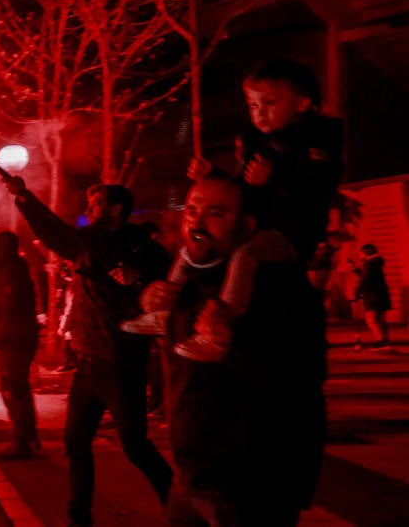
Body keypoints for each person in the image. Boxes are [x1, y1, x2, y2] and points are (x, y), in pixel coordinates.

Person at [140, 173, 326, 526]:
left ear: (247, 225)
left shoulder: (281, 288)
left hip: (253, 482)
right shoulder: (188, 282)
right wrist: (150, 301)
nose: (196, 221)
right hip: (190, 472)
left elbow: (303, 378)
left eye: (216, 213)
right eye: (191, 210)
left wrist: (235, 341)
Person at [153, 58, 344, 361]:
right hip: (253, 224)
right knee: (191, 247)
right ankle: (163, 307)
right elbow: (241, 187)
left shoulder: (318, 141)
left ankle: (221, 326)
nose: (260, 113)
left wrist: (276, 178)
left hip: (290, 233)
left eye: (270, 102)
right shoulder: (257, 142)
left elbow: (317, 188)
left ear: (303, 103)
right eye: (253, 105)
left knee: (244, 256)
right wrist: (213, 174)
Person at [7, 178, 172, 527]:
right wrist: (24, 198)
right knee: (76, 442)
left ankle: (177, 506)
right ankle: (78, 517)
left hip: (119, 363)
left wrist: (138, 277)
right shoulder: (94, 244)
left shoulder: (135, 248)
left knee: (135, 446)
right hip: (87, 362)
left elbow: (163, 282)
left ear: (116, 210)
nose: (88, 211)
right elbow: (57, 234)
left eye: (96, 204)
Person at [0, 230, 41, 460]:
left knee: (14, 389)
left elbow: (7, 307)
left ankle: (22, 441)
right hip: (12, 338)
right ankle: (27, 437)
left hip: (14, 340)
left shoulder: (13, 273)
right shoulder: (8, 268)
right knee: (16, 389)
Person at [353, 243, 392, 351]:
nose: (359, 255)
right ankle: (385, 341)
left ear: (366, 253)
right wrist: (357, 271)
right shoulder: (376, 263)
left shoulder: (369, 265)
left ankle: (381, 342)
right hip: (381, 296)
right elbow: (368, 276)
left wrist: (357, 292)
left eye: (360, 253)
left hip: (373, 296)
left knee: (371, 320)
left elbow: (365, 280)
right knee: (380, 320)